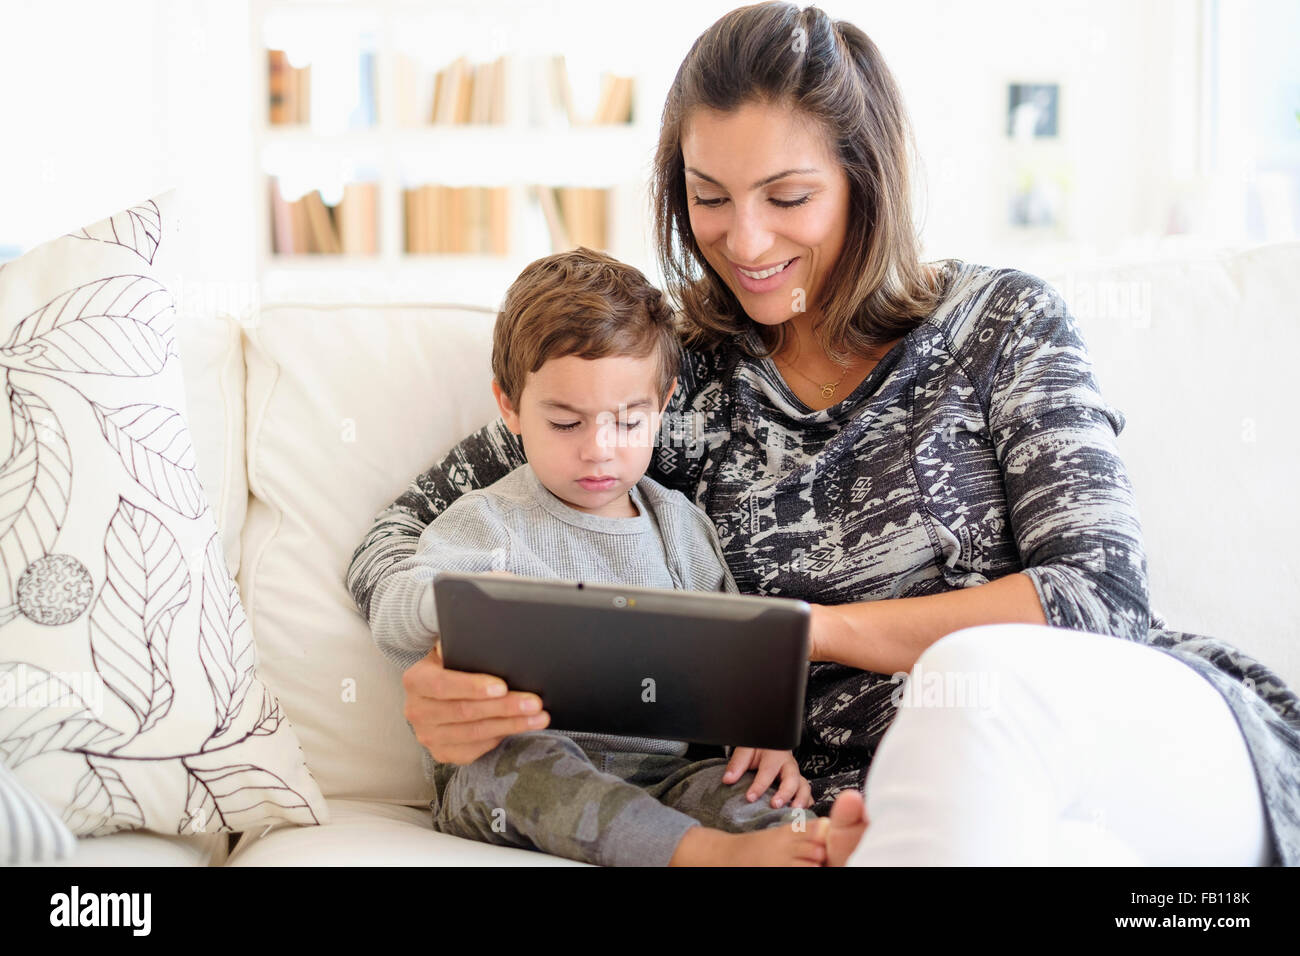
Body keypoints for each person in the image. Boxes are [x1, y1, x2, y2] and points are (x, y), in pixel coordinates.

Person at [348, 2, 1300, 866]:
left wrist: (803, 638)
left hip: (1109, 739)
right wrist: (454, 669)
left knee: (971, 686)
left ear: (863, 179)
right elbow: (397, 541)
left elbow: (1102, 597)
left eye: (788, 197)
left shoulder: (999, 324)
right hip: (879, 815)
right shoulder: (670, 381)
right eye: (709, 197)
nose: (746, 241)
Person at [365, 246, 827, 866]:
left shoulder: (678, 526)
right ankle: (700, 855)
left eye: (629, 422)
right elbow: (395, 613)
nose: (600, 451)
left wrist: (762, 737)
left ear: (662, 405)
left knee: (752, 794)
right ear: (510, 407)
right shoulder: (486, 519)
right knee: (522, 762)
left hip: (664, 780)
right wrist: (455, 598)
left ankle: (813, 847)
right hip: (510, 771)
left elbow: (736, 661)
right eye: (565, 423)